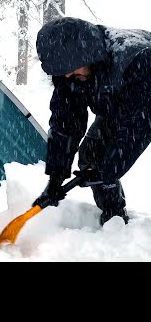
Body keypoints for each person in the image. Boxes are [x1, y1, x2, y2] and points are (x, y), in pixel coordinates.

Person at [33, 16, 151, 225]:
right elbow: (65, 123)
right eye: (62, 70)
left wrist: (109, 168)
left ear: (88, 54)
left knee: (110, 161)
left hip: (144, 103)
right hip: (121, 107)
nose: (67, 74)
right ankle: (114, 218)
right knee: (93, 154)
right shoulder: (71, 74)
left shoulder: (137, 58)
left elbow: (139, 125)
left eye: (71, 67)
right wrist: (56, 177)